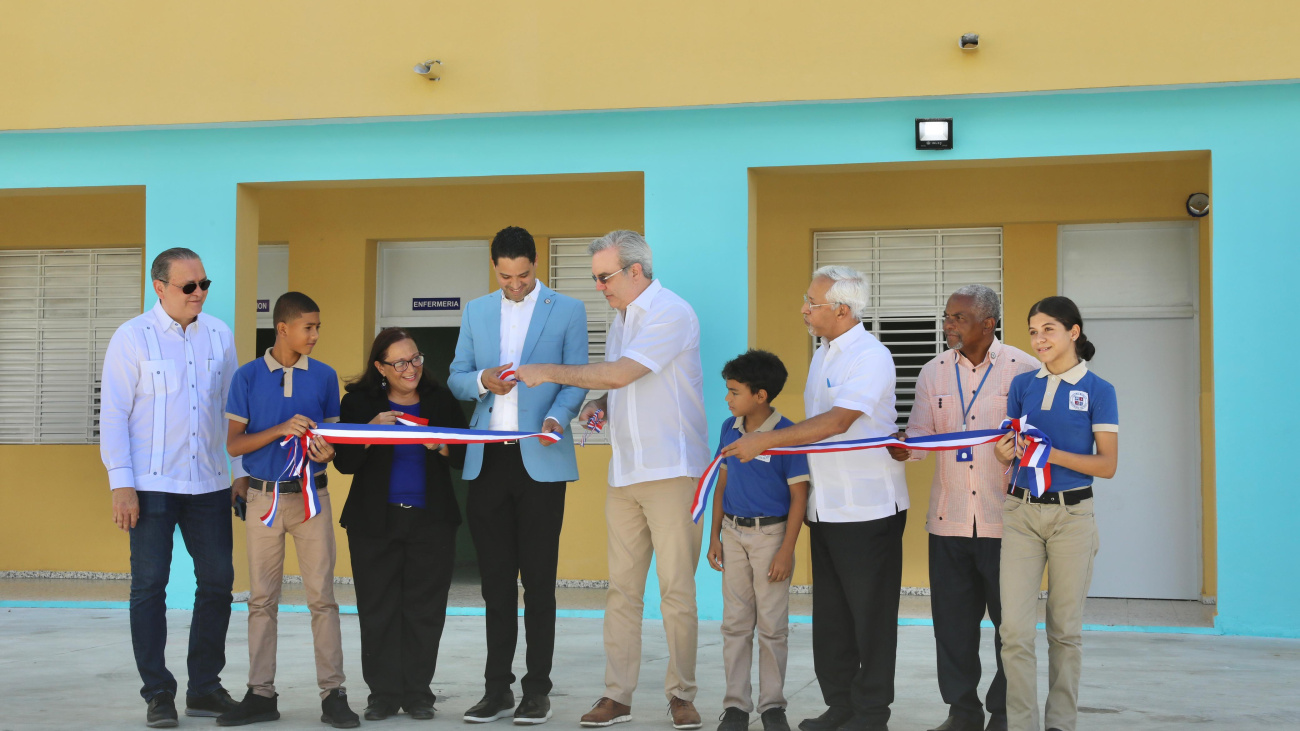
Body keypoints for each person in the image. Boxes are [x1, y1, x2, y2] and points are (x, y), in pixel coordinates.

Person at [514, 230, 710, 730]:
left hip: (671, 471)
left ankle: (681, 695)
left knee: (676, 592)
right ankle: (616, 696)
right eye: (596, 278)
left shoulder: (671, 312)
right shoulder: (621, 318)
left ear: (635, 271)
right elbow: (622, 386)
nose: (599, 286)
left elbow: (621, 373)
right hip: (624, 472)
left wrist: (547, 372)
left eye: (605, 277)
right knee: (621, 591)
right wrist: (600, 408)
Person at [721, 266, 907, 731]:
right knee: (833, 618)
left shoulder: (871, 356)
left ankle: (870, 714)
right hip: (826, 509)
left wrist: (765, 442)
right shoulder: (823, 355)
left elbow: (837, 423)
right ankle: (840, 704)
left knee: (871, 619)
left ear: (842, 310)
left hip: (867, 509)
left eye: (812, 303)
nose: (804, 309)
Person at [100, 247, 248, 728]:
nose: (199, 293)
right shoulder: (132, 338)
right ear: (159, 287)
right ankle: (158, 693)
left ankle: (204, 688)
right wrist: (121, 484)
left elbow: (234, 411)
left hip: (208, 482)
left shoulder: (220, 335)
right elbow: (114, 417)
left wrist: (239, 470)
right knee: (148, 588)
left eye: (205, 284)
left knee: (218, 583)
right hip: (150, 485)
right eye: (189, 286)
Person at [447, 226, 589, 725]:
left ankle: (537, 690)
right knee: (494, 585)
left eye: (523, 275)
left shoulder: (568, 310)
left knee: (541, 582)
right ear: (495, 269)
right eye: (506, 276)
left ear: (536, 265)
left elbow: (577, 377)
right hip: (487, 460)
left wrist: (558, 417)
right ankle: (496, 689)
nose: (515, 284)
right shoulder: (476, 310)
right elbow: (456, 375)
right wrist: (480, 380)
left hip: (541, 457)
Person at [887, 285, 1038, 731]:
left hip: (1006, 522)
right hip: (949, 520)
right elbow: (920, 436)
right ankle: (962, 710)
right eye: (947, 316)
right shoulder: (933, 372)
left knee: (1009, 630)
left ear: (989, 323)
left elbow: (1034, 443)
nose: (948, 324)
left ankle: (1006, 712)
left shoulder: (1024, 370)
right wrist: (903, 449)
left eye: (958, 317)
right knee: (952, 629)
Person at [219, 292, 358, 728]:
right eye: (308, 327)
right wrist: (279, 429)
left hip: (312, 498)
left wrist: (324, 452)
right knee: (261, 600)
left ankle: (333, 694)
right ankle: (261, 694)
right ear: (283, 328)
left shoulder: (325, 376)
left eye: (318, 327)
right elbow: (234, 444)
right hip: (263, 500)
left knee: (323, 598)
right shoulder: (246, 377)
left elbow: (332, 444)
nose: (315, 335)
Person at [994, 296, 1117, 731]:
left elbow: (1107, 465)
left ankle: (1061, 724)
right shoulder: (1023, 386)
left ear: (1073, 332)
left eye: (1048, 329)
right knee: (1014, 632)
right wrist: (1002, 452)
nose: (1039, 339)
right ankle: (1022, 725)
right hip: (1021, 514)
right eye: (1033, 331)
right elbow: (1007, 450)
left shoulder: (1100, 391)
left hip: (1072, 518)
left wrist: (1055, 455)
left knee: (1064, 631)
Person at [334, 327, 468, 722]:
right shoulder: (358, 403)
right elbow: (345, 463)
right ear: (380, 367)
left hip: (432, 522)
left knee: (424, 610)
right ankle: (383, 694)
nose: (411, 368)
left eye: (415, 359)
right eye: (400, 362)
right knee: (378, 609)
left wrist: (439, 443)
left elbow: (462, 456)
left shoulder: (440, 399)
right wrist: (372, 431)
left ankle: (418, 694)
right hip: (374, 522)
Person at [705, 350, 809, 731]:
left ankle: (772, 706)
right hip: (732, 534)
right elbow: (723, 481)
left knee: (771, 626)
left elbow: (800, 496)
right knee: (734, 624)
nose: (728, 399)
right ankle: (736, 706)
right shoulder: (728, 428)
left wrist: (786, 551)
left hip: (771, 538)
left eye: (734, 392)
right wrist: (714, 535)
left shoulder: (788, 435)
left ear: (761, 395)